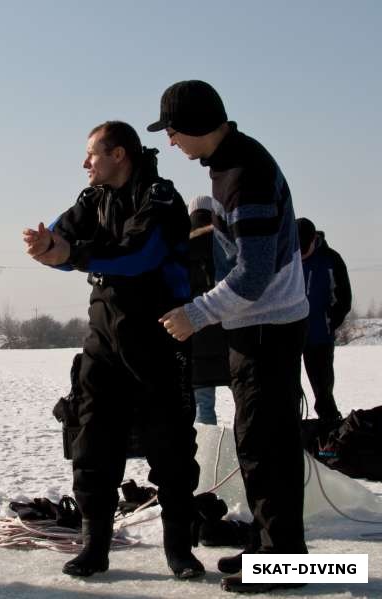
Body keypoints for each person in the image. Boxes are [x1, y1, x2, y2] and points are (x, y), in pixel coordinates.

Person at [147, 80, 309, 593]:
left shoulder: (245, 175)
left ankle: (287, 563)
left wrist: (196, 313)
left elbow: (253, 273)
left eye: (172, 130)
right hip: (254, 327)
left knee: (268, 444)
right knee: (255, 440)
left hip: (267, 327)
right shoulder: (228, 167)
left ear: (194, 125)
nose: (170, 141)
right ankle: (268, 549)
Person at [23, 120, 203, 580]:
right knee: (92, 448)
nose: (85, 163)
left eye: (92, 154)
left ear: (119, 154)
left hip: (160, 340)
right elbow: (64, 239)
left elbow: (138, 255)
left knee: (172, 453)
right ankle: (94, 548)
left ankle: (180, 551)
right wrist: (48, 246)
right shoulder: (93, 198)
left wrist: (71, 253)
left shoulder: (160, 198)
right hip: (103, 342)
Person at [297, 217, 352, 425]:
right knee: (288, 392)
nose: (301, 253)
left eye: (304, 248)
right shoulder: (286, 258)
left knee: (323, 392)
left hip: (320, 336)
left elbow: (344, 298)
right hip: (289, 336)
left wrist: (329, 321)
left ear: (314, 239)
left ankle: (330, 432)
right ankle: (294, 436)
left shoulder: (331, 259)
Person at [187, 194, 231, 425]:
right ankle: (251, 451)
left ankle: (207, 456)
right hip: (230, 334)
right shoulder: (225, 241)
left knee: (204, 405)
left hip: (196, 333)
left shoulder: (183, 246)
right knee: (245, 400)